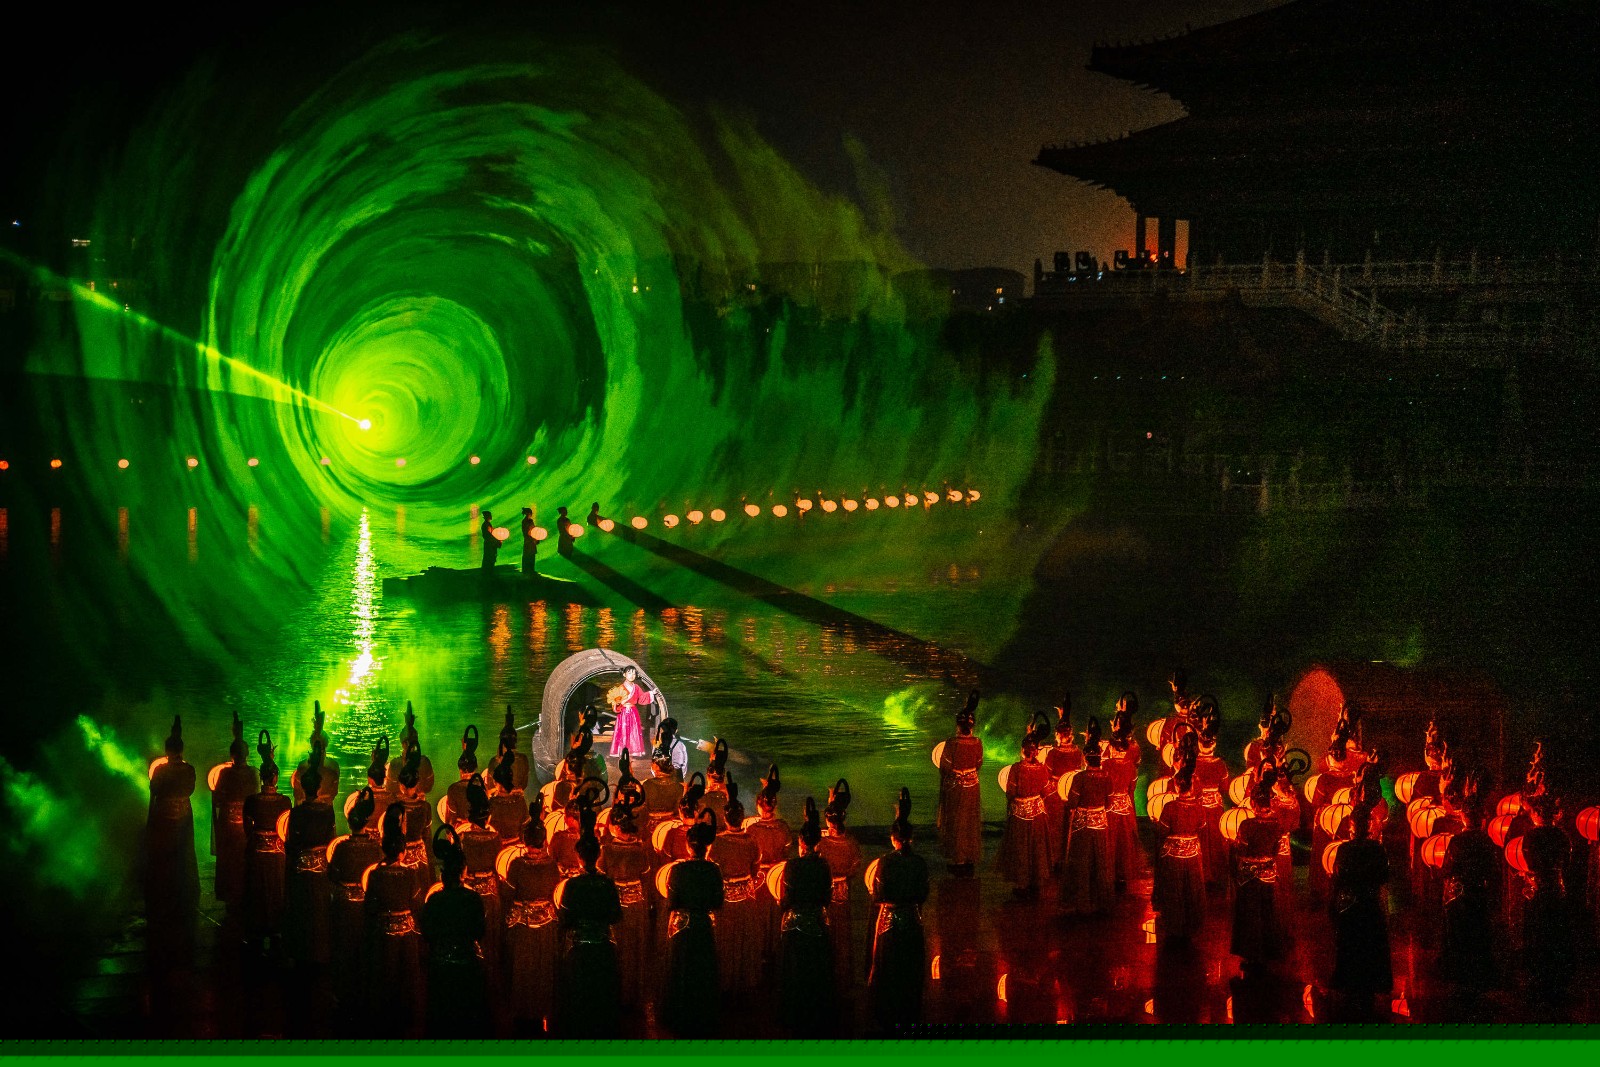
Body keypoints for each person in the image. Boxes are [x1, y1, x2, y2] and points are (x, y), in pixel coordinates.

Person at [554, 795, 623, 1038]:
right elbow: (616, 915)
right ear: (598, 855)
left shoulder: (572, 885)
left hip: (579, 948)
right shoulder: (607, 883)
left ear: (579, 857)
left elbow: (565, 919)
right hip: (604, 945)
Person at [1328, 777, 1392, 1022]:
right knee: (1370, 946)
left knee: (1350, 945)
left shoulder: (1344, 849)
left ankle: (1350, 985)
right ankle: (1369, 986)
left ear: (1352, 826)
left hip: (1350, 905)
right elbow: (1384, 877)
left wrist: (1334, 902)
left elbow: (1337, 878)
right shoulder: (1377, 849)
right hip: (1370, 905)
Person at [868, 787, 929, 1033]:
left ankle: (887, 1014)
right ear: (911, 838)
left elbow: (878, 895)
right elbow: (923, 894)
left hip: (889, 922)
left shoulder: (885, 862)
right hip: (912, 920)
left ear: (893, 838)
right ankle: (909, 1012)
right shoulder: (919, 862)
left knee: (888, 968)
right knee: (910, 968)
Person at [421, 825, 491, 1036]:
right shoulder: (473, 898)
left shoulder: (434, 899)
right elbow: (479, 931)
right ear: (463, 872)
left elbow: (427, 932)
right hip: (466, 963)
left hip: (440, 964)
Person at [500, 796, 561, 1036]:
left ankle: (522, 1013)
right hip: (546, 926)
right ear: (544, 840)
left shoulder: (516, 865)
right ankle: (543, 1011)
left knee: (523, 970)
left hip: (522, 927)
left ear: (524, 841)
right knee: (544, 969)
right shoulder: (552, 865)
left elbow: (508, 896)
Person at [661, 810, 724, 1037]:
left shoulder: (678, 870)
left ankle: (680, 1016)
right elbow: (718, 902)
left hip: (682, 926)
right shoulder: (714, 870)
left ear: (688, 846)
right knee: (703, 971)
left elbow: (671, 902)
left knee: (681, 970)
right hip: (704, 925)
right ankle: (703, 1016)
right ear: (708, 846)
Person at [364, 802, 424, 1036]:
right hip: (406, 932)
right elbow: (416, 903)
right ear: (402, 852)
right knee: (406, 975)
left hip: (382, 932)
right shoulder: (410, 873)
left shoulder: (375, 874)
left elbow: (370, 906)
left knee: (385, 974)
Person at [778, 799, 835, 1036]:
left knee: (794, 971)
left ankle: (794, 1015)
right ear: (818, 841)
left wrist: (784, 908)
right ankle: (817, 1015)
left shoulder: (792, 866)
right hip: (818, 923)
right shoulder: (824, 866)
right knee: (816, 971)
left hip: (794, 925)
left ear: (801, 842)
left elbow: (786, 899)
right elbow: (827, 898)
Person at [143, 715, 200, 953]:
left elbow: (154, 792)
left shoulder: (159, 771)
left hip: (163, 816)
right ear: (181, 750)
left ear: (167, 750)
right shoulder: (189, 770)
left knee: (164, 856)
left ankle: (163, 893)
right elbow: (190, 790)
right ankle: (182, 892)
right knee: (182, 854)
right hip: (183, 815)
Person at [1438, 769, 1497, 995]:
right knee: (1479, 932)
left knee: (1460, 933)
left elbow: (1448, 868)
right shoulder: (1486, 840)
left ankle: (1460, 972)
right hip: (1480, 892)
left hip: (1460, 894)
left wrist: (1441, 875)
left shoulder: (1458, 841)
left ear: (1464, 816)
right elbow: (1492, 869)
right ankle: (1480, 973)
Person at [326, 786, 382, 1006]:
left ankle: (343, 991)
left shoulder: (341, 848)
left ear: (349, 823)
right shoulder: (375, 848)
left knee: (344, 948)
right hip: (367, 906)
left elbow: (332, 875)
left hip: (344, 906)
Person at [600, 776, 652, 1011]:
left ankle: (614, 993)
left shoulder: (607, 850)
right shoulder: (640, 849)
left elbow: (602, 877)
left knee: (615, 949)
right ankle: (633, 994)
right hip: (636, 904)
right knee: (635, 949)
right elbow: (645, 875)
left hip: (614, 906)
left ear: (617, 827)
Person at [1230, 768, 1285, 976]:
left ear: (1253, 803)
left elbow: (1242, 850)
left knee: (1251, 916)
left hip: (1249, 877)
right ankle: (1269, 953)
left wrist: (1233, 846)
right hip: (1269, 875)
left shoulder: (1247, 825)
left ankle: (1252, 956)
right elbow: (1276, 851)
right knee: (1268, 913)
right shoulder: (1277, 825)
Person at [709, 781, 761, 993]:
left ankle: (725, 980)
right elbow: (755, 870)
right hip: (747, 898)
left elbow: (713, 872)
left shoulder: (717, 843)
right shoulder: (751, 841)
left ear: (724, 818)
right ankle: (746, 979)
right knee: (746, 938)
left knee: (726, 940)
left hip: (725, 900)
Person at [283, 761, 336, 969]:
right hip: (321, 867)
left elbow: (291, 842)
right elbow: (332, 840)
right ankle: (321, 951)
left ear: (302, 788)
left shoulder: (296, 812)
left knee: (301, 908)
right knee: (320, 909)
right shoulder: (327, 812)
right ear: (319, 788)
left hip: (300, 867)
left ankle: (301, 951)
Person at [1154, 733, 1207, 942]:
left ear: (1176, 786)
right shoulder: (1199, 808)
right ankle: (1192, 925)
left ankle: (1174, 927)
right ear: (1192, 786)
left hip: (1173, 856)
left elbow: (1161, 832)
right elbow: (1201, 829)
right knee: (1192, 889)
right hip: (1193, 855)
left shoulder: (1169, 807)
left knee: (1174, 889)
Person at [243, 731, 293, 950]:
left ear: (262, 777)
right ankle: (276, 928)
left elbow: (247, 828)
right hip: (277, 853)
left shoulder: (252, 801)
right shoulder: (285, 801)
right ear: (275, 778)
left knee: (257, 890)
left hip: (257, 851)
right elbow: (287, 828)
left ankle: (256, 928)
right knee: (276, 890)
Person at [1060, 717, 1115, 917]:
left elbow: (1072, 803)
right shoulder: (1107, 777)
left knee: (1081, 862)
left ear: (1085, 758)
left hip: (1082, 825)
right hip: (1100, 824)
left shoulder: (1079, 778)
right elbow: (1109, 804)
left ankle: (1081, 903)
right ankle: (1101, 903)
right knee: (1100, 862)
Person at [997, 712, 1053, 900]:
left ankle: (1022, 884)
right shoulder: (1042, 768)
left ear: (1022, 750)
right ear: (1036, 752)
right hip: (1037, 814)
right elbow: (1045, 792)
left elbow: (1011, 793)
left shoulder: (1016, 768)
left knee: (1021, 849)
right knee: (1037, 848)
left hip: (1020, 815)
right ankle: (1036, 882)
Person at [457, 775, 505, 987]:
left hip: (468, 894)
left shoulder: (462, 837)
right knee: (490, 937)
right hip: (490, 893)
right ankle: (490, 979)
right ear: (488, 816)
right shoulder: (495, 838)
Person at [747, 764, 796, 971]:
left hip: (759, 878)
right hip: (777, 879)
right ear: (774, 806)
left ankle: (758, 954)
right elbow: (786, 854)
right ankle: (777, 953)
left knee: (758, 917)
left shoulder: (752, 830)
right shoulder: (783, 828)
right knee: (776, 916)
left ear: (759, 805)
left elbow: (749, 857)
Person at [817, 778, 862, 992]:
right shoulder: (851, 844)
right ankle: (843, 975)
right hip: (843, 892)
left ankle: (824, 973)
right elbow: (855, 867)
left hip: (826, 894)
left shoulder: (822, 845)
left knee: (825, 929)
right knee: (843, 933)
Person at [211, 711, 259, 914]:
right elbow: (256, 798)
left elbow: (217, 799)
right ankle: (246, 892)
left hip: (228, 824)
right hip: (246, 824)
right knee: (244, 859)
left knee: (229, 859)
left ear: (232, 754)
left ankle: (230, 894)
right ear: (247, 754)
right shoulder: (253, 773)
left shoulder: (224, 773)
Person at [936, 690, 984, 873]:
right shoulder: (978, 743)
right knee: (970, 821)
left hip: (955, 787)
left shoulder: (952, 743)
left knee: (957, 821)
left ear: (958, 725)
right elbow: (978, 764)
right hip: (972, 787)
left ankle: (958, 860)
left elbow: (945, 767)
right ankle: (969, 859)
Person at [1104, 696, 1143, 891]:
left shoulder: (1107, 762)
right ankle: (1121, 873)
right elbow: (1132, 785)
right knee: (1124, 838)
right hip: (1125, 803)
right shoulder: (1133, 751)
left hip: (1111, 804)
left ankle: (1109, 872)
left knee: (1112, 838)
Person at [1192, 698, 1231, 889]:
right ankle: (1215, 875)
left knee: (1201, 839)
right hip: (1215, 807)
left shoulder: (1192, 763)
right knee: (1216, 840)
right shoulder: (1220, 764)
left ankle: (1201, 873)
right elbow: (1226, 788)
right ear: (1213, 745)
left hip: (1198, 806)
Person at [1043, 697, 1085, 866]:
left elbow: (1047, 774)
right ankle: (1068, 859)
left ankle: (1057, 859)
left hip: (1057, 794)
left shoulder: (1054, 753)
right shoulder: (1077, 752)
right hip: (1071, 792)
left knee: (1057, 826)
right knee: (1068, 825)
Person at [395, 750, 434, 907]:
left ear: (401, 785)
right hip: (419, 856)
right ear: (417, 784)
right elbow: (426, 834)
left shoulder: (395, 807)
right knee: (422, 894)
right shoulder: (425, 807)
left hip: (401, 855)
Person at [293, 702, 341, 803]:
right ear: (326, 744)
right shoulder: (333, 767)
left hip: (306, 809)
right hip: (324, 810)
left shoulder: (302, 766)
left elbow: (297, 796)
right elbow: (333, 793)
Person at [487, 747, 528, 845]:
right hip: (515, 846)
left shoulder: (490, 803)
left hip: (495, 846)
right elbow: (524, 829)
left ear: (494, 782)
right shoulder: (520, 802)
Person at [609, 668, 649, 766]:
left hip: (633, 712)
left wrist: (651, 693)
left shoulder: (636, 687)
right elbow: (615, 704)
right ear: (624, 674)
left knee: (633, 732)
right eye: (629, 673)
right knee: (622, 731)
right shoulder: (620, 688)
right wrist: (619, 703)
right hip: (623, 712)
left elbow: (642, 698)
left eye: (634, 674)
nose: (632, 675)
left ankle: (631, 754)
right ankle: (622, 753)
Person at [488, 706, 532, 794]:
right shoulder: (523, 759)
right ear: (515, 741)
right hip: (517, 798)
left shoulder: (494, 761)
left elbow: (490, 786)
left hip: (499, 798)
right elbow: (524, 784)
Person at [444, 726, 480, 829]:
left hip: (461, 828)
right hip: (477, 828)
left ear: (460, 769)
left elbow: (451, 818)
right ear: (475, 768)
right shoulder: (482, 786)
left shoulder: (453, 789)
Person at [520, 507, 539, 576]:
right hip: (529, 540)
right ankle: (527, 570)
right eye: (530, 513)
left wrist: (536, 538)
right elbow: (527, 531)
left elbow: (533, 529)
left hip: (530, 540)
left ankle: (530, 569)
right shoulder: (525, 521)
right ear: (528, 513)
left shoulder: (529, 521)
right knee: (528, 555)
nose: (531, 514)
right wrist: (534, 538)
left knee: (531, 555)